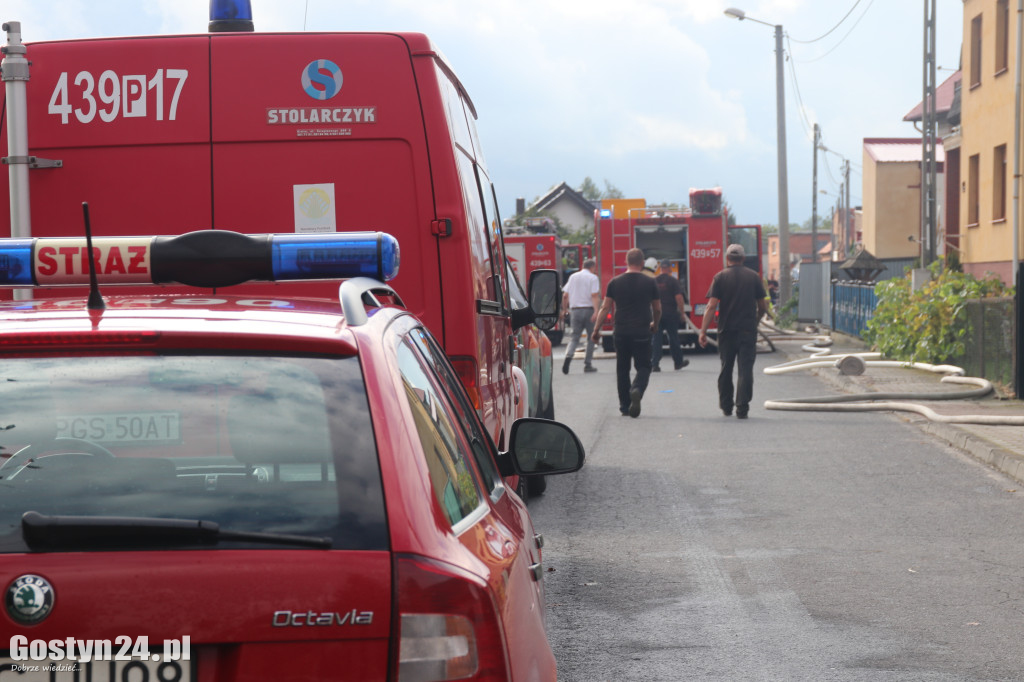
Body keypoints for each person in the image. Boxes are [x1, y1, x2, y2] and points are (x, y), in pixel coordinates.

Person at [698, 243, 768, 419]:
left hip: (726, 330)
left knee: (726, 368)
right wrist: (756, 320)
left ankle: (726, 406)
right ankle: (742, 407)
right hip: (747, 330)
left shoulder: (720, 277)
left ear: (727, 258)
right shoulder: (753, 277)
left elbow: (711, 306)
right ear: (743, 259)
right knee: (745, 369)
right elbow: (762, 305)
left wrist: (703, 331)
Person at [593, 248, 660, 418]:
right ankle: (636, 388)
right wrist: (655, 324)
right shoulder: (650, 282)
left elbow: (605, 307)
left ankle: (624, 406)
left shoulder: (615, 282)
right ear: (643, 262)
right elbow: (657, 308)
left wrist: (596, 329)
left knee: (622, 368)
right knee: (644, 366)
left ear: (626, 261)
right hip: (642, 330)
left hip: (621, 331)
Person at [561, 257, 601, 374]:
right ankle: (588, 364)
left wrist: (565, 310)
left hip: (575, 311)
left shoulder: (573, 277)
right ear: (592, 267)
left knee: (575, 337)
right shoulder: (593, 278)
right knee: (591, 337)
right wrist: (596, 311)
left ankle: (568, 356)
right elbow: (594, 295)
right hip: (588, 311)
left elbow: (565, 296)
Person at [651, 259, 689, 372]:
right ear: (669, 268)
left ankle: (655, 364)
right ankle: (678, 363)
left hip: (656, 314)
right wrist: (682, 313)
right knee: (673, 338)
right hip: (670, 314)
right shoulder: (673, 281)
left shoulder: (654, 281)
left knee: (656, 339)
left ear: (661, 268)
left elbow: (650, 298)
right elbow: (679, 298)